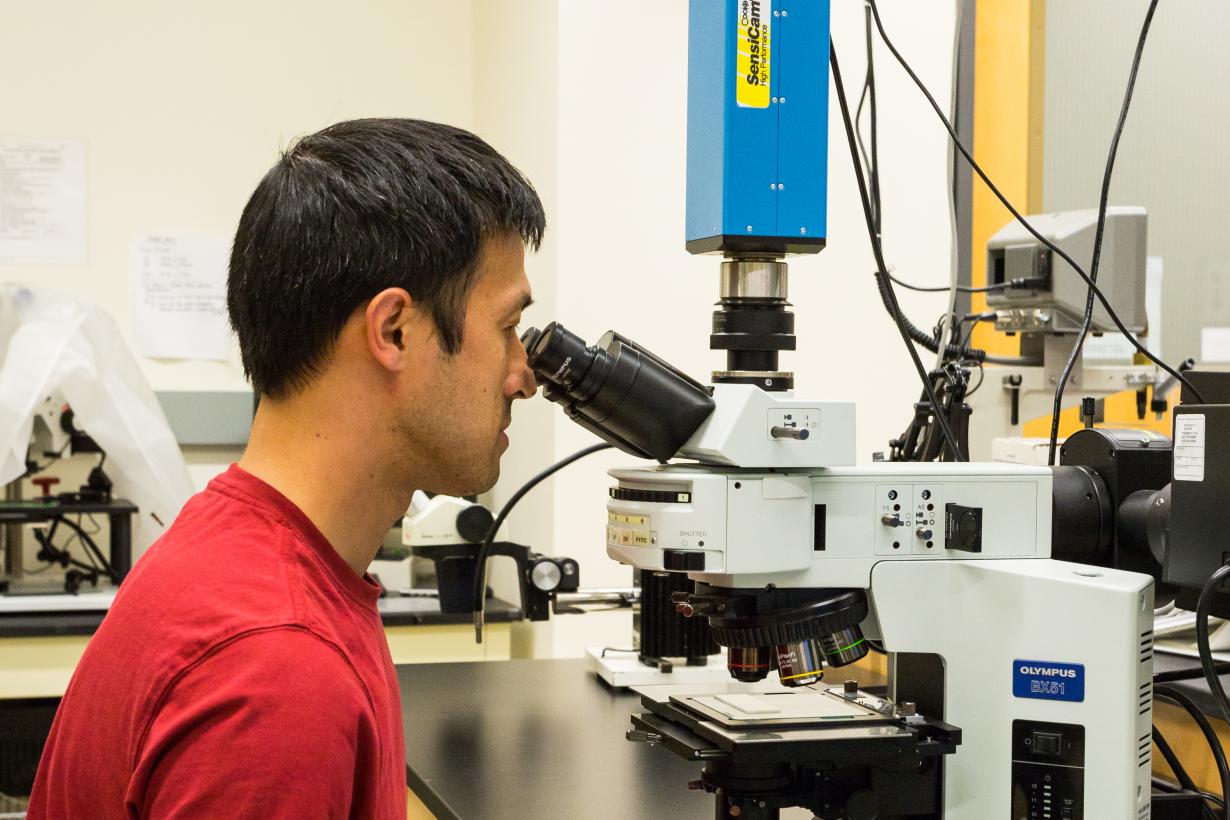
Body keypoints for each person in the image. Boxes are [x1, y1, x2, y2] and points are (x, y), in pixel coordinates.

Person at [27, 118, 543, 819]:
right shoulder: (277, 668)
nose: (525, 375)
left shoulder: (236, 549)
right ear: (394, 330)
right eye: (507, 327)